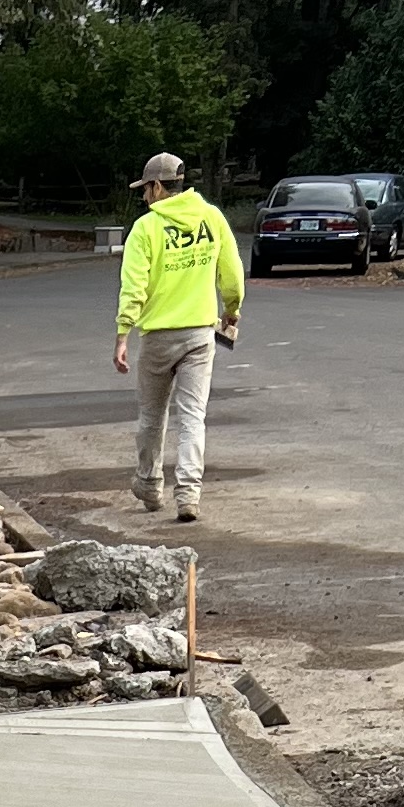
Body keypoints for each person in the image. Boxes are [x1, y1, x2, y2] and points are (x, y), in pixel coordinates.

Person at [112, 148, 242, 525]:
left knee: (152, 416)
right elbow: (232, 273)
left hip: (157, 337)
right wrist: (231, 309)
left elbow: (133, 286)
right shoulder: (211, 218)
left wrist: (123, 333)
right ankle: (188, 493)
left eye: (145, 189)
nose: (143, 196)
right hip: (200, 334)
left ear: (157, 186)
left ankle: (150, 484)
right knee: (192, 416)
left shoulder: (146, 229)